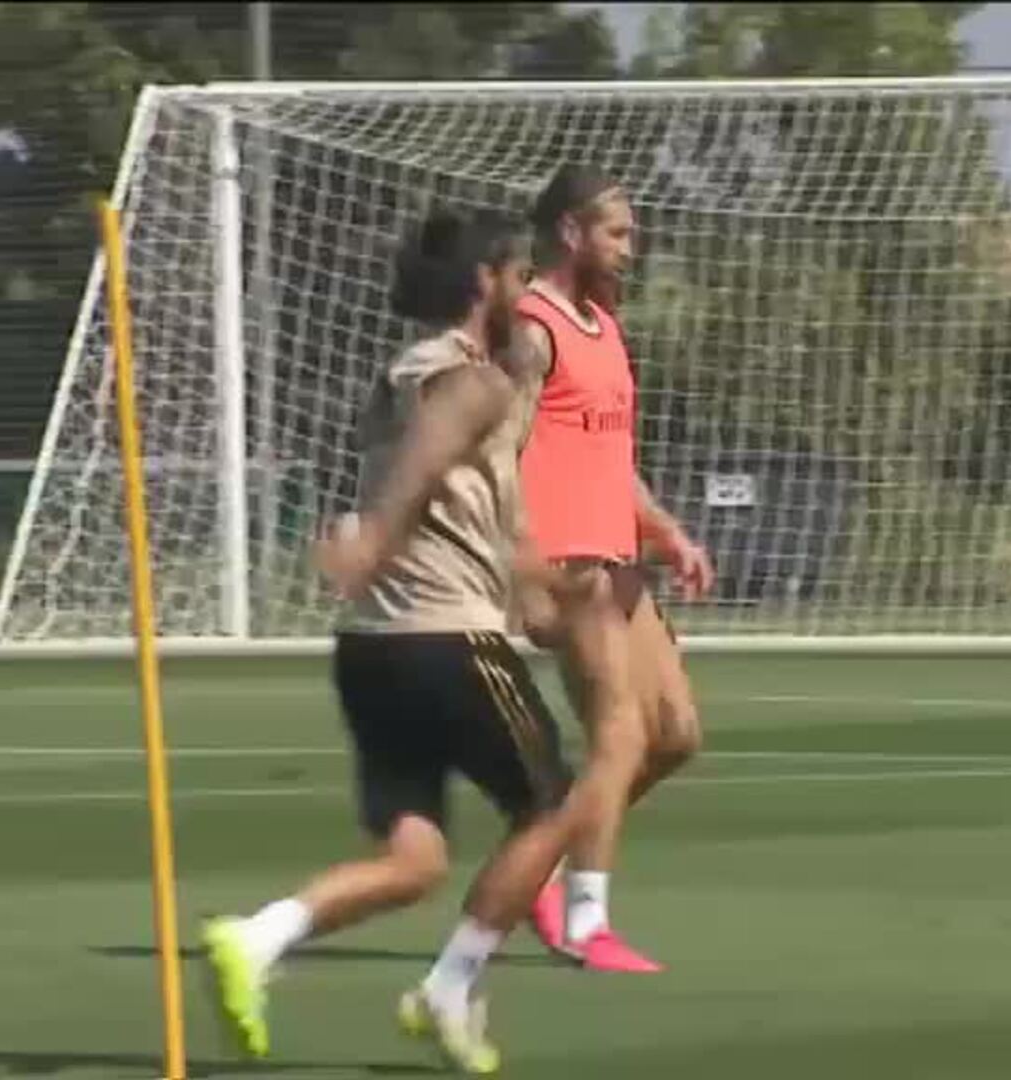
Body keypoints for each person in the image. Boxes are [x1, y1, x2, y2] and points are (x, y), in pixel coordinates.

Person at [201, 209, 593, 1076]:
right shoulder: (469, 379)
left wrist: (544, 587)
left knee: (415, 862)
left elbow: (476, 502)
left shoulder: (398, 373)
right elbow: (431, 455)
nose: (529, 293)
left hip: (370, 645)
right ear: (486, 278)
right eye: (520, 275)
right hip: (444, 636)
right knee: (555, 804)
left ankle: (259, 937)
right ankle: (449, 990)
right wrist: (378, 534)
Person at [512, 165, 716, 974]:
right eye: (617, 234)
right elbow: (493, 448)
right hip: (564, 565)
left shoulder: (602, 325)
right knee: (620, 733)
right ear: (571, 232)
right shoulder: (531, 328)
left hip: (618, 560)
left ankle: (540, 865)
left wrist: (665, 531)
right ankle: (585, 922)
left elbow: (607, 455)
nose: (630, 249)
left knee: (675, 734)